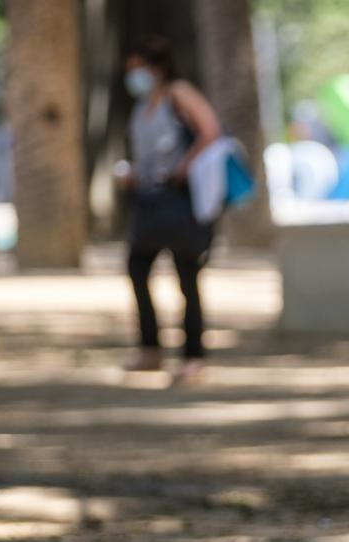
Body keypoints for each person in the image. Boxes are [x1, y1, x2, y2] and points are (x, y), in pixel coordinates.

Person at [119, 36, 221, 378]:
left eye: (139, 69)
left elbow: (210, 131)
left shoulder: (180, 93)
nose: (133, 76)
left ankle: (194, 357)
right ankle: (151, 348)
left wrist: (184, 166)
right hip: (149, 200)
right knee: (137, 269)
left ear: (157, 67)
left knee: (187, 277)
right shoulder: (143, 105)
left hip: (181, 201)